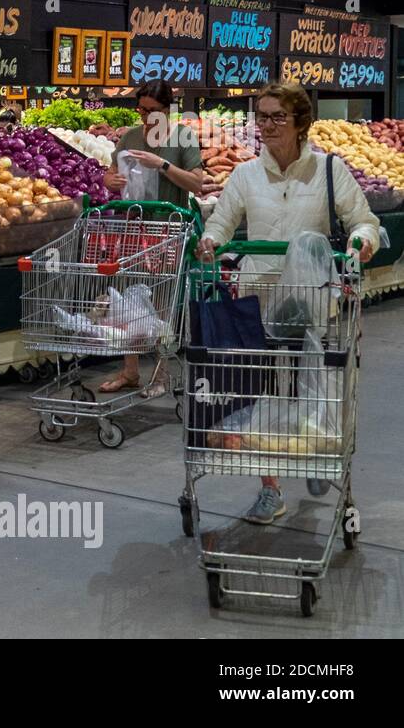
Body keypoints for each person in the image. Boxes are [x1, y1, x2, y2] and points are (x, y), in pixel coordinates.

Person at [196, 82, 378, 525]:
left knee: (313, 386)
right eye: (261, 116)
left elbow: (364, 220)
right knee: (262, 393)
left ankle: (316, 454)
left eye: (278, 117)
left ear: (300, 122)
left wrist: (362, 241)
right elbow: (222, 221)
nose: (267, 126)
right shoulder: (245, 176)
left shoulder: (329, 172)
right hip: (260, 300)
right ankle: (271, 488)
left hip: (314, 303)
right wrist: (210, 241)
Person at [98, 80, 204, 397]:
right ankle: (130, 372)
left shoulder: (183, 138)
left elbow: (197, 183)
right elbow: (109, 174)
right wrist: (111, 179)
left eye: (151, 111)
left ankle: (160, 375)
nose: (144, 116)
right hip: (134, 231)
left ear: (167, 110)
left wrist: (163, 164)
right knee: (128, 302)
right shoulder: (131, 136)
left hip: (169, 231)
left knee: (162, 305)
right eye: (141, 109)